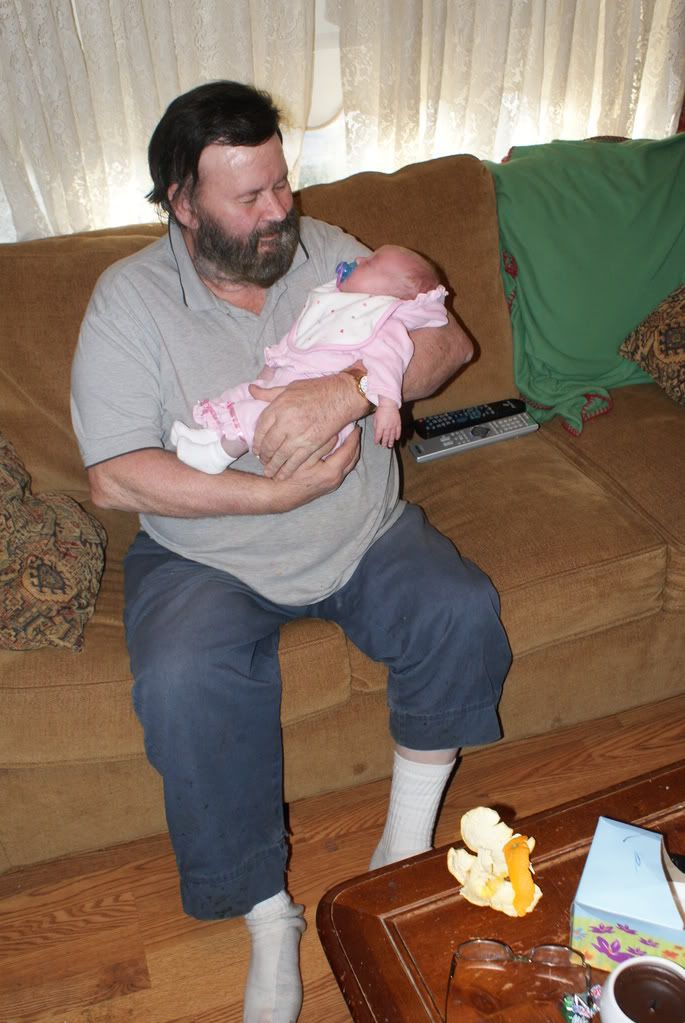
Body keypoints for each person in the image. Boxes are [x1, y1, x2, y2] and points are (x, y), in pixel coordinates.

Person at [70, 81, 512, 1023]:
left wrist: (348, 389)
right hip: (207, 555)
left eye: (281, 182)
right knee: (183, 680)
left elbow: (448, 343)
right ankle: (268, 911)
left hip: (358, 529)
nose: (280, 210)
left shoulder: (325, 249)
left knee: (459, 609)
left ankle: (401, 847)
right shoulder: (129, 300)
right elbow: (114, 475)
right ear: (183, 204)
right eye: (250, 196)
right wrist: (270, 494)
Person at [170, 244, 448, 472]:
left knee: (258, 415)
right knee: (242, 393)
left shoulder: (384, 323)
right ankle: (207, 435)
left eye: (371, 263)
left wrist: (388, 404)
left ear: (395, 295)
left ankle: (217, 456)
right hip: (286, 379)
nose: (359, 258)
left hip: (318, 423)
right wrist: (274, 363)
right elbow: (300, 337)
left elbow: (389, 362)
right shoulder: (337, 303)